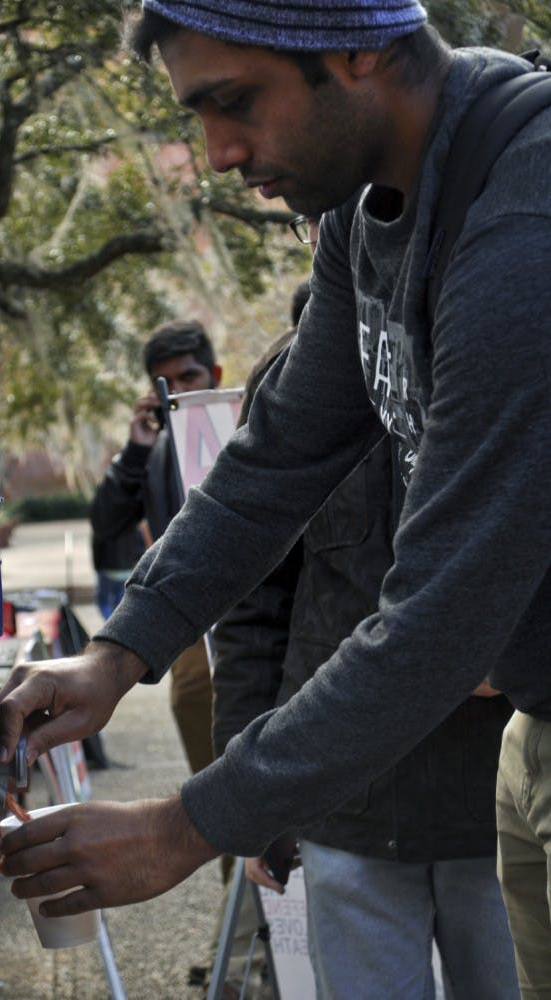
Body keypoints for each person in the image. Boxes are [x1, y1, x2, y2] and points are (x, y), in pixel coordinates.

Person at [0, 5, 551, 994]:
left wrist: (187, 824)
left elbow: (442, 611)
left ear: (360, 46)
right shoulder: (365, 213)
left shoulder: (521, 220)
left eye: (234, 100)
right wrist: (118, 651)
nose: (215, 154)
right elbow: (278, 453)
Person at [212, 261, 517, 997]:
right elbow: (254, 603)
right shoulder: (293, 381)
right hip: (346, 800)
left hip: (505, 802)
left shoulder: (516, 343)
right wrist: (250, 789)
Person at [90, 318, 222, 775]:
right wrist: (135, 452)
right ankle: (228, 837)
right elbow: (106, 522)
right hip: (190, 612)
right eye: (166, 383)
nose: (179, 390)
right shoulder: (153, 449)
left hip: (259, 602)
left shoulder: (246, 424)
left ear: (215, 376)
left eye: (190, 376)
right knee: (193, 702)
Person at [90, 522, 145, 619]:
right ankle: (117, 624)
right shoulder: (131, 522)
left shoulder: (102, 523)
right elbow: (140, 546)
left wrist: (97, 567)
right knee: (121, 602)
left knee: (103, 601)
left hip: (106, 569)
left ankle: (110, 624)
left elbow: (97, 546)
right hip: (126, 570)